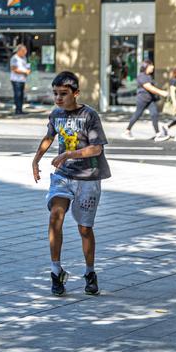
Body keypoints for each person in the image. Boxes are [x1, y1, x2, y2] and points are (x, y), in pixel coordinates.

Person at [32, 71, 111, 297]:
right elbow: (49, 137)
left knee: (85, 229)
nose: (58, 98)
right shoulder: (56, 114)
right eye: (55, 94)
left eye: (63, 94)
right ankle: (56, 272)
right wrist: (36, 159)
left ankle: (89, 273)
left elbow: (96, 149)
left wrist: (68, 154)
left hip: (88, 177)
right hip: (63, 176)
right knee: (55, 215)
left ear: (76, 93)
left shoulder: (89, 115)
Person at [124, 61, 168, 139]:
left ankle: (158, 134)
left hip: (150, 99)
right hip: (142, 99)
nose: (153, 67)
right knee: (137, 114)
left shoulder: (149, 76)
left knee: (154, 114)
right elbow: (149, 87)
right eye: (151, 66)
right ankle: (127, 131)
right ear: (145, 67)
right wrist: (161, 92)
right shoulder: (142, 76)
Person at [9, 44, 30, 115]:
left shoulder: (24, 58)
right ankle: (17, 110)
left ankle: (20, 109)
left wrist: (27, 70)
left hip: (22, 79)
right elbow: (14, 69)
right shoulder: (14, 58)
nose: (25, 52)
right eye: (24, 51)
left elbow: (25, 66)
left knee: (21, 95)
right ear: (19, 51)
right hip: (16, 80)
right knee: (17, 95)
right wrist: (25, 71)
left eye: (25, 51)